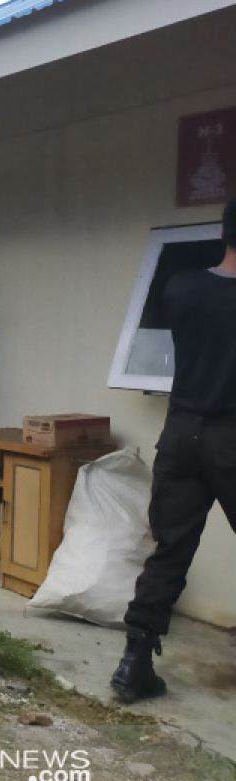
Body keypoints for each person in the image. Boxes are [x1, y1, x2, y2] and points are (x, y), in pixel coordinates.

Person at [111, 199, 236, 704]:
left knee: (170, 550)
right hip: (231, 434)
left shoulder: (182, 286)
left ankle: (133, 665)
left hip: (181, 431)